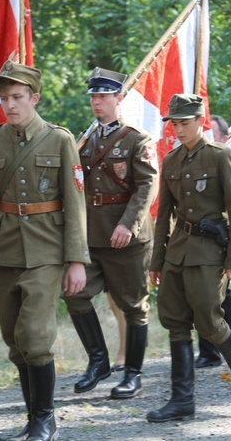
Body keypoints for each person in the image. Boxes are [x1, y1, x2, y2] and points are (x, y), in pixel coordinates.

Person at [0, 61, 90, 441]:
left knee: (34, 336)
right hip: (5, 252)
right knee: (14, 340)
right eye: (4, 98)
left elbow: (75, 202)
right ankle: (33, 416)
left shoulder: (60, 140)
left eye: (17, 97)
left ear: (34, 98)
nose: (10, 105)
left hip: (48, 251)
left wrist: (76, 260)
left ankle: (45, 419)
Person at [147, 94, 231, 423]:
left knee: (209, 319)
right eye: (174, 123)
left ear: (200, 121)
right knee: (175, 322)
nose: (178, 129)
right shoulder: (172, 160)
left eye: (184, 122)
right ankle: (182, 400)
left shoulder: (221, 156)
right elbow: (164, 213)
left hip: (210, 251)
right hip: (178, 250)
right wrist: (156, 261)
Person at [64, 67, 158, 399]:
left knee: (133, 306)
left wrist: (127, 224)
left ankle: (132, 373)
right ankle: (99, 361)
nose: (97, 102)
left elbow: (147, 186)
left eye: (104, 96)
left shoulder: (136, 138)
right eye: (94, 97)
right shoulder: (86, 139)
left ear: (119, 98)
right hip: (91, 236)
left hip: (125, 238)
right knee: (74, 294)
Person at [194, 114, 231, 368]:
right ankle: (210, 351)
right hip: (197, 241)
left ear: (224, 139)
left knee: (218, 295)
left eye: (211, 133)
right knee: (204, 296)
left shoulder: (229, 163)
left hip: (219, 239)